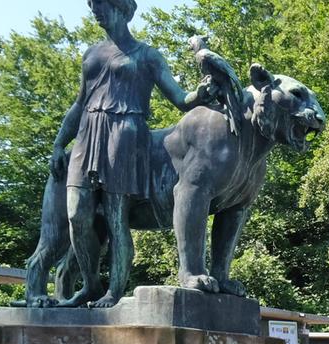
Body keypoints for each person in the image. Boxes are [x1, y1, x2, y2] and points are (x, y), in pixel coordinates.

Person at [50, 0, 214, 306]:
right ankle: (91, 285)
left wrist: (198, 95)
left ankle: (114, 291)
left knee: (116, 218)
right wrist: (60, 143)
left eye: (102, 4)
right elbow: (79, 103)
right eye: (93, 4)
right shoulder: (92, 53)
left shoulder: (147, 55)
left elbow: (179, 98)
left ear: (122, 8)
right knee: (77, 214)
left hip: (125, 136)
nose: (96, 10)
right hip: (88, 134)